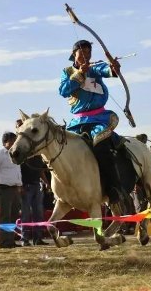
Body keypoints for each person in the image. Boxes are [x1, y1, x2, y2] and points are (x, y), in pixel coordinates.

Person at [58, 39, 124, 203]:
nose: (86, 55)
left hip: (99, 119)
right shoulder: (67, 72)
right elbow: (63, 91)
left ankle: (113, 188)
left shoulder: (95, 67)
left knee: (101, 145)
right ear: (74, 54)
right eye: (83, 52)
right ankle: (63, 191)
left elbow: (107, 70)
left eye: (89, 52)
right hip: (77, 122)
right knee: (61, 149)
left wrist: (114, 67)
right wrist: (80, 73)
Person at [0, 132, 22, 248]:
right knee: (5, 216)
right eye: (12, 140)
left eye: (15, 140)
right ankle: (4, 242)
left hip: (15, 189)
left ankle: (11, 241)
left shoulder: (16, 154)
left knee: (14, 216)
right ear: (4, 142)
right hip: (4, 188)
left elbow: (17, 172)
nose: (14, 143)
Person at [20, 156, 49, 246]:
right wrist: (20, 186)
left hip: (37, 186)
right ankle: (24, 239)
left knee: (39, 213)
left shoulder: (38, 157)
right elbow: (17, 172)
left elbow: (41, 171)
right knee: (26, 214)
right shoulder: (22, 156)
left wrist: (46, 182)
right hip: (26, 187)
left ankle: (38, 239)